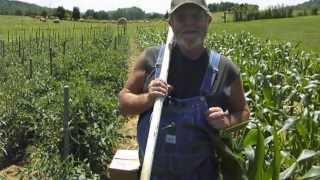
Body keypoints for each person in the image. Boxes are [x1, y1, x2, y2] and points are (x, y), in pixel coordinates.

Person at [118, 0, 250, 179]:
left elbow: (243, 112)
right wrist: (148, 98)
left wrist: (227, 121)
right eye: (181, 17)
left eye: (196, 16)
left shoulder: (226, 69)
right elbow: (124, 103)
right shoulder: (151, 59)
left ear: (208, 21)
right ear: (171, 23)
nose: (189, 23)